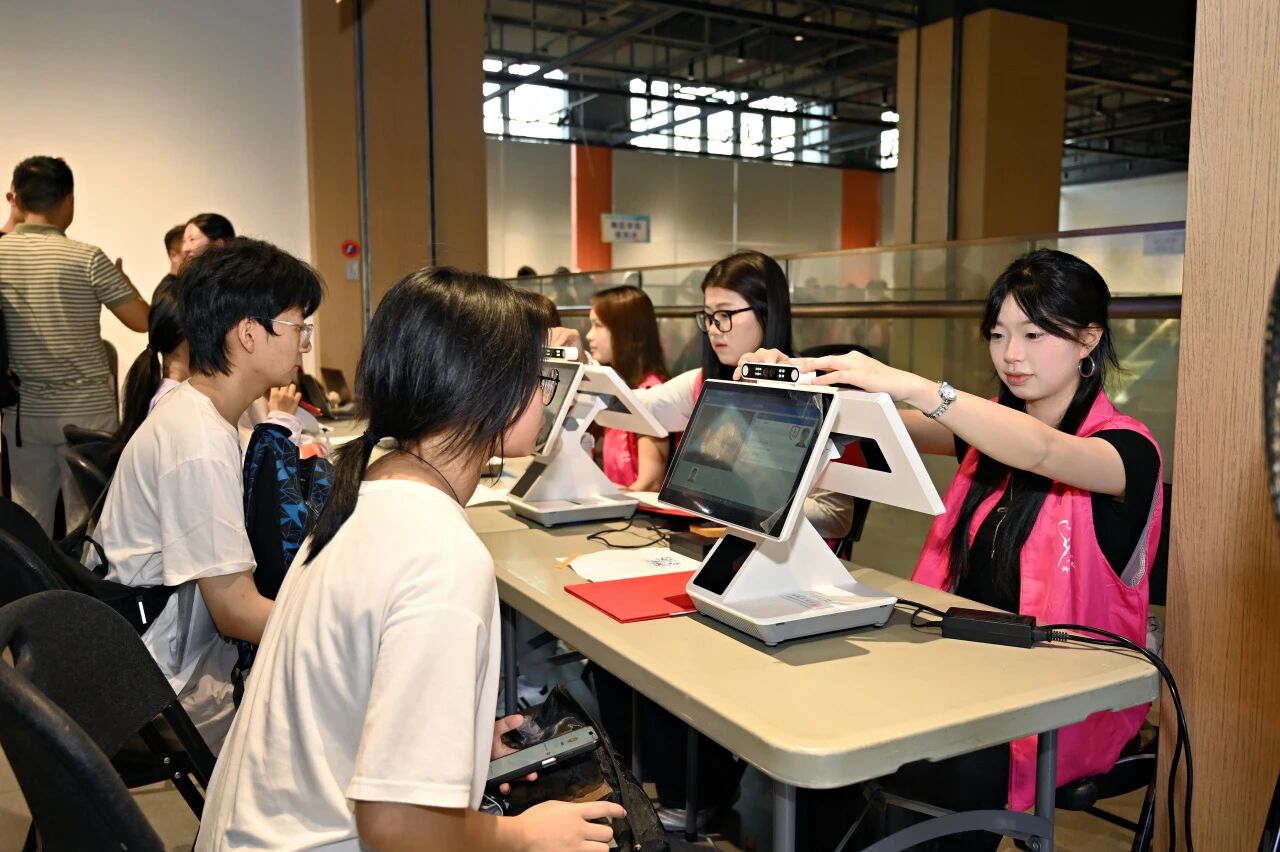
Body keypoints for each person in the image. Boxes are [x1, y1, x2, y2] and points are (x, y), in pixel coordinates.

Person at [740, 249, 1162, 850]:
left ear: (1088, 339)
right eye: (999, 334)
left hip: (1055, 697)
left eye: (1034, 334)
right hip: (955, 670)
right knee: (815, 732)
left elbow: (1042, 450)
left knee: (914, 771)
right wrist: (795, 381)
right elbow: (880, 423)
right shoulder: (987, 432)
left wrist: (912, 384)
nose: (1011, 355)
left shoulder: (1127, 452)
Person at [197, 267, 626, 851]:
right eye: (538, 379)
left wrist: (454, 745)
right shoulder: (443, 556)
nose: (545, 396)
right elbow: (397, 826)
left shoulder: (363, 495)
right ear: (492, 395)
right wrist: (522, 835)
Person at [553, 250, 854, 830]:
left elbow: (837, 515)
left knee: (665, 656)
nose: (714, 330)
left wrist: (755, 503)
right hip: (711, 556)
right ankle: (660, 783)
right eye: (707, 316)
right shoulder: (702, 384)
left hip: (783, 575)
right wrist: (582, 366)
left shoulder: (810, 389)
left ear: (766, 312)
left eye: (726, 315)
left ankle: (696, 791)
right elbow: (632, 410)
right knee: (621, 651)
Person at [97, 237, 323, 751]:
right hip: (168, 683)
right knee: (343, 698)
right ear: (249, 332)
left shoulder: (199, 414)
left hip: (166, 653)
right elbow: (235, 611)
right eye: (298, 327)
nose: (305, 345)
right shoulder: (197, 441)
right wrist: (344, 632)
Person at [0, 155, 149, 533]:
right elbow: (143, 322)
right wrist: (125, 282)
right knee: (88, 524)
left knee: (28, 521)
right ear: (68, 199)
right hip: (89, 415)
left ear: (17, 199)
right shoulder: (88, 258)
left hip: (26, 415)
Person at [585, 285, 670, 490]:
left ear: (625, 331)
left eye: (598, 325)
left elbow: (650, 482)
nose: (589, 335)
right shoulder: (616, 386)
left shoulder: (651, 392)